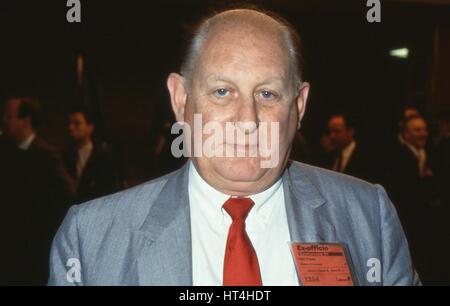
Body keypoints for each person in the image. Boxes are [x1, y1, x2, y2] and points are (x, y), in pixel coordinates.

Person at [49, 8, 419, 286]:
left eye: (268, 93)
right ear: (180, 100)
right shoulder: (91, 237)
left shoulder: (369, 216)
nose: (247, 121)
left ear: (300, 106)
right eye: (222, 92)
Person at [0, 97, 74, 285]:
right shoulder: (6, 151)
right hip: (9, 242)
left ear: (25, 121)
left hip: (36, 244)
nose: (4, 120)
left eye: (9, 116)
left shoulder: (46, 154)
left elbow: (67, 193)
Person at [63, 107, 122, 203]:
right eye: (69, 123)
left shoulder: (103, 155)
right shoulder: (66, 155)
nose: (70, 128)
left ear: (89, 128)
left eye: (77, 124)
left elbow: (110, 187)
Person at [325, 114, 377, 182]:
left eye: (337, 131)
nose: (332, 136)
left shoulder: (365, 157)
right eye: (330, 131)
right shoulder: (328, 155)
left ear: (350, 131)